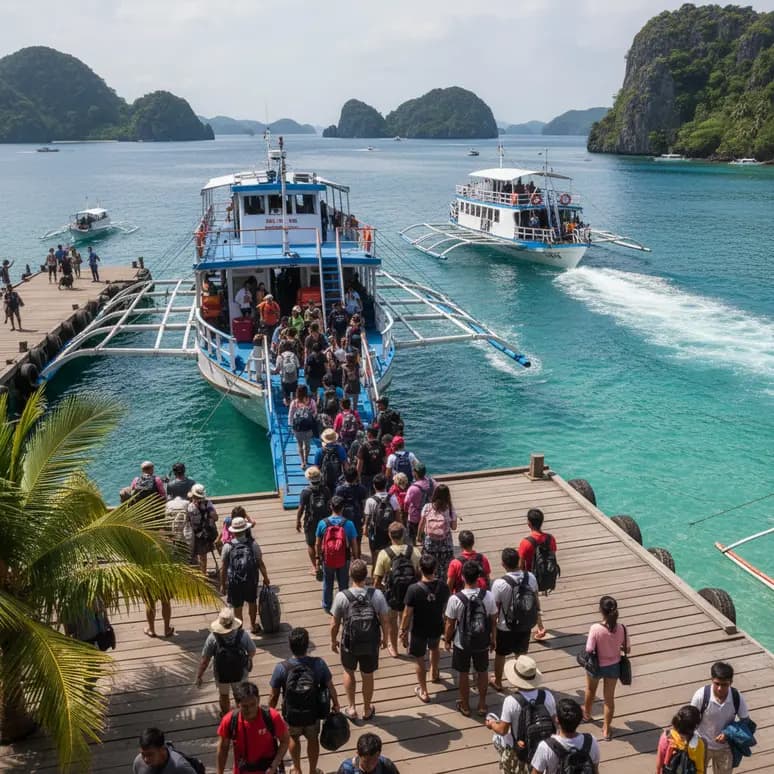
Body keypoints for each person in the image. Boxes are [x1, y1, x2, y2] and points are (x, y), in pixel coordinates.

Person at [269, 627, 341, 774]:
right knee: (312, 738)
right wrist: (336, 704)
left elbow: (273, 695)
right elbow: (330, 686)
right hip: (313, 713)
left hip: (292, 714)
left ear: (290, 646)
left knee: (293, 737)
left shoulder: (281, 668)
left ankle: (297, 769)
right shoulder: (319, 664)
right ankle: (313, 770)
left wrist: (270, 712)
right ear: (307, 645)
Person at [330, 559, 389, 722]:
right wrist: (385, 638)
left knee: (349, 671)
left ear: (350, 575)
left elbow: (334, 623)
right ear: (366, 576)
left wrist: (333, 640)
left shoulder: (342, 596)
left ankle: (351, 707)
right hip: (370, 643)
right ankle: (367, 708)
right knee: (367, 674)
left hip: (349, 642)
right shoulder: (376, 594)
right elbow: (384, 620)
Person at [444, 560, 498, 717]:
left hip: (462, 642)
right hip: (482, 640)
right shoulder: (487, 596)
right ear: (478, 577)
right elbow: (493, 620)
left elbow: (450, 624)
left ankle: (465, 705)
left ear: (462, 577)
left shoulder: (455, 599)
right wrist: (493, 638)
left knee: (463, 673)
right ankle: (482, 704)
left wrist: (447, 640)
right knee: (482, 671)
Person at [486, 655, 557, 771]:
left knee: (496, 738)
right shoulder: (547, 696)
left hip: (520, 750)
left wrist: (492, 723)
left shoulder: (511, 701)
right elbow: (555, 722)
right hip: (543, 748)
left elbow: (502, 730)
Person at [490, 548, 544, 692]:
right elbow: (536, 598)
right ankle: (521, 680)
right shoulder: (530, 577)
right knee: (521, 653)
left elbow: (495, 609)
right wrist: (539, 620)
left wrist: (492, 631)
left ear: (503, 564)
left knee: (501, 654)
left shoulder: (499, 584)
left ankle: (498, 681)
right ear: (519, 561)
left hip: (505, 626)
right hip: (525, 624)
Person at [400, 553, 450, 703]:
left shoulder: (413, 589)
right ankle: (434, 672)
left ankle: (424, 691)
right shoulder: (442, 586)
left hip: (418, 629)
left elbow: (407, 614)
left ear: (420, 569)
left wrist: (403, 630)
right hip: (436, 625)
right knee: (434, 649)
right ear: (435, 568)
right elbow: (446, 608)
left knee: (419, 658)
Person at [582, 595, 630, 741]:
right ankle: (607, 729)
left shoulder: (595, 628)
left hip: (596, 665)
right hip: (614, 666)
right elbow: (627, 648)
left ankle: (587, 714)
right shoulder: (622, 628)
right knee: (609, 699)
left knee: (591, 690)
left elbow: (589, 649)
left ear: (600, 610)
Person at [690, 661, 750, 774]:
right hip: (701, 745)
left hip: (725, 748)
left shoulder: (737, 697)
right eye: (717, 684)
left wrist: (728, 733)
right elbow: (690, 720)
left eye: (724, 685)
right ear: (712, 679)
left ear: (731, 682)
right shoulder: (700, 695)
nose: (719, 688)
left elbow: (745, 720)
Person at [216, 681, 289, 774]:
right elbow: (223, 749)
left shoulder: (272, 717)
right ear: (238, 704)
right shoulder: (229, 720)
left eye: (252, 704)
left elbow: (285, 741)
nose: (249, 710)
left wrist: (274, 765)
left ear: (258, 700)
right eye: (245, 706)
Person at [196, 609, 257, 717]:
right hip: (240, 672)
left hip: (221, 673)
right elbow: (252, 650)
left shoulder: (213, 637)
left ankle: (226, 716)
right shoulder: (242, 635)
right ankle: (240, 716)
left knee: (223, 695)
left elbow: (205, 660)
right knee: (240, 695)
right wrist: (247, 660)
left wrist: (199, 676)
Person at [373, 523, 421, 657]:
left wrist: (384, 589)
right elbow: (419, 574)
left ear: (389, 535)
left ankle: (394, 649)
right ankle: (405, 639)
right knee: (406, 618)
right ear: (404, 534)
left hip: (392, 595)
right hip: (410, 594)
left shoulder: (384, 554)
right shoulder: (414, 552)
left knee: (392, 622)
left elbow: (376, 581)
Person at [221, 516, 270, 635]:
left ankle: (240, 629)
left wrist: (223, 584)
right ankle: (253, 626)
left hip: (235, 582)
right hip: (250, 580)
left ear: (233, 531)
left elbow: (224, 567)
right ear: (245, 530)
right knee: (252, 602)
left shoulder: (228, 546)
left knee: (237, 607)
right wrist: (266, 577)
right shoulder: (253, 544)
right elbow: (260, 562)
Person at [530, 698, 600, 774]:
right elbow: (595, 770)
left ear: (557, 720)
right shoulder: (591, 741)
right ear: (580, 720)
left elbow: (536, 772)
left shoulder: (546, 747)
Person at [316, 495, 359, 613]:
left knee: (327, 582)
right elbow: (354, 543)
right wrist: (356, 558)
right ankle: (343, 605)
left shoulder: (322, 523)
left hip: (327, 558)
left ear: (331, 507)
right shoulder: (349, 524)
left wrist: (317, 558)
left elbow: (318, 544)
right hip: (344, 558)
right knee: (343, 582)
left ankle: (327, 605)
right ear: (343, 508)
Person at [417, 483, 457, 583]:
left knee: (429, 567)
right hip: (445, 545)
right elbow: (454, 527)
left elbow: (421, 524)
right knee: (444, 570)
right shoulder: (450, 508)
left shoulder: (427, 507)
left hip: (430, 544)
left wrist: (418, 536)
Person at [297, 466, 332, 575]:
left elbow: (301, 508)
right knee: (324, 542)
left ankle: (316, 567)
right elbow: (330, 505)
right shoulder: (325, 490)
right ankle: (326, 564)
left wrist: (298, 520)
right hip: (325, 520)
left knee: (311, 544)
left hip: (311, 521)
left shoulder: (305, 492)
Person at [362, 474, 400, 575]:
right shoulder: (393, 499)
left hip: (375, 532)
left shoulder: (370, 501)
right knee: (390, 554)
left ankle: (375, 574)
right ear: (386, 484)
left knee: (375, 555)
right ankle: (388, 574)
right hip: (389, 531)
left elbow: (367, 518)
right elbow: (397, 516)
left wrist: (365, 528)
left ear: (374, 486)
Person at [656, 705, 706, 774]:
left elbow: (660, 762)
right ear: (695, 726)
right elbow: (699, 769)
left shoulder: (666, 736)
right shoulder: (698, 744)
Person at [133, 727, 198, 773]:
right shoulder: (138, 762)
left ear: (162, 749)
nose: (145, 760)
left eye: (150, 754)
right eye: (143, 754)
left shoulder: (180, 767)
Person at [335, 467, 368, 555]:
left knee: (344, 540)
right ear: (356, 477)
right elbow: (364, 505)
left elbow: (337, 505)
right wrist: (365, 520)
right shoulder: (362, 488)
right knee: (357, 540)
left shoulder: (339, 489)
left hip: (344, 518)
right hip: (357, 517)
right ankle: (357, 558)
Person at [187, 483, 219, 575]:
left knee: (195, 556)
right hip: (203, 534)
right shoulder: (207, 503)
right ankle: (203, 575)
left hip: (193, 534)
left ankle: (201, 575)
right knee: (202, 557)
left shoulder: (189, 505)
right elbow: (216, 518)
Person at [518, 508, 558, 575]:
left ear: (529, 523)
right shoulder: (551, 539)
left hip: (531, 578)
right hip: (548, 576)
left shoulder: (525, 542)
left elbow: (520, 566)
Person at [403, 463, 434, 545]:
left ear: (415, 473)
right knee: (426, 534)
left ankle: (413, 546)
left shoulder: (413, 488)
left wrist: (406, 511)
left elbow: (406, 502)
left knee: (411, 535)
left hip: (415, 516)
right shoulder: (431, 482)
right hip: (428, 513)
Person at [289, 384, 317, 470]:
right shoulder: (311, 401)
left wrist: (291, 425)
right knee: (307, 445)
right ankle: (306, 459)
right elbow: (315, 413)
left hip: (297, 428)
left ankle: (302, 462)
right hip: (308, 428)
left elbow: (290, 414)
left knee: (299, 445)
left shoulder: (294, 402)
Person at [314, 428, 348, 494]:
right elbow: (346, 465)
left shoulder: (319, 451)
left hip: (324, 480)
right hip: (337, 479)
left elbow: (316, 468)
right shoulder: (340, 449)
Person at [356, 427, 385, 496]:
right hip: (377, 474)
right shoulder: (381, 445)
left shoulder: (363, 447)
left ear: (369, 434)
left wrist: (358, 477)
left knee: (365, 494)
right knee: (376, 494)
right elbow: (385, 461)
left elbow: (359, 464)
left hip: (365, 475)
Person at [275, 341, 300, 407]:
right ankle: (295, 405)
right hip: (294, 378)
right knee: (294, 393)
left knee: (286, 394)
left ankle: (288, 405)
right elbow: (298, 366)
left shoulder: (280, 356)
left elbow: (277, 369)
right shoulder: (294, 355)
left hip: (284, 379)